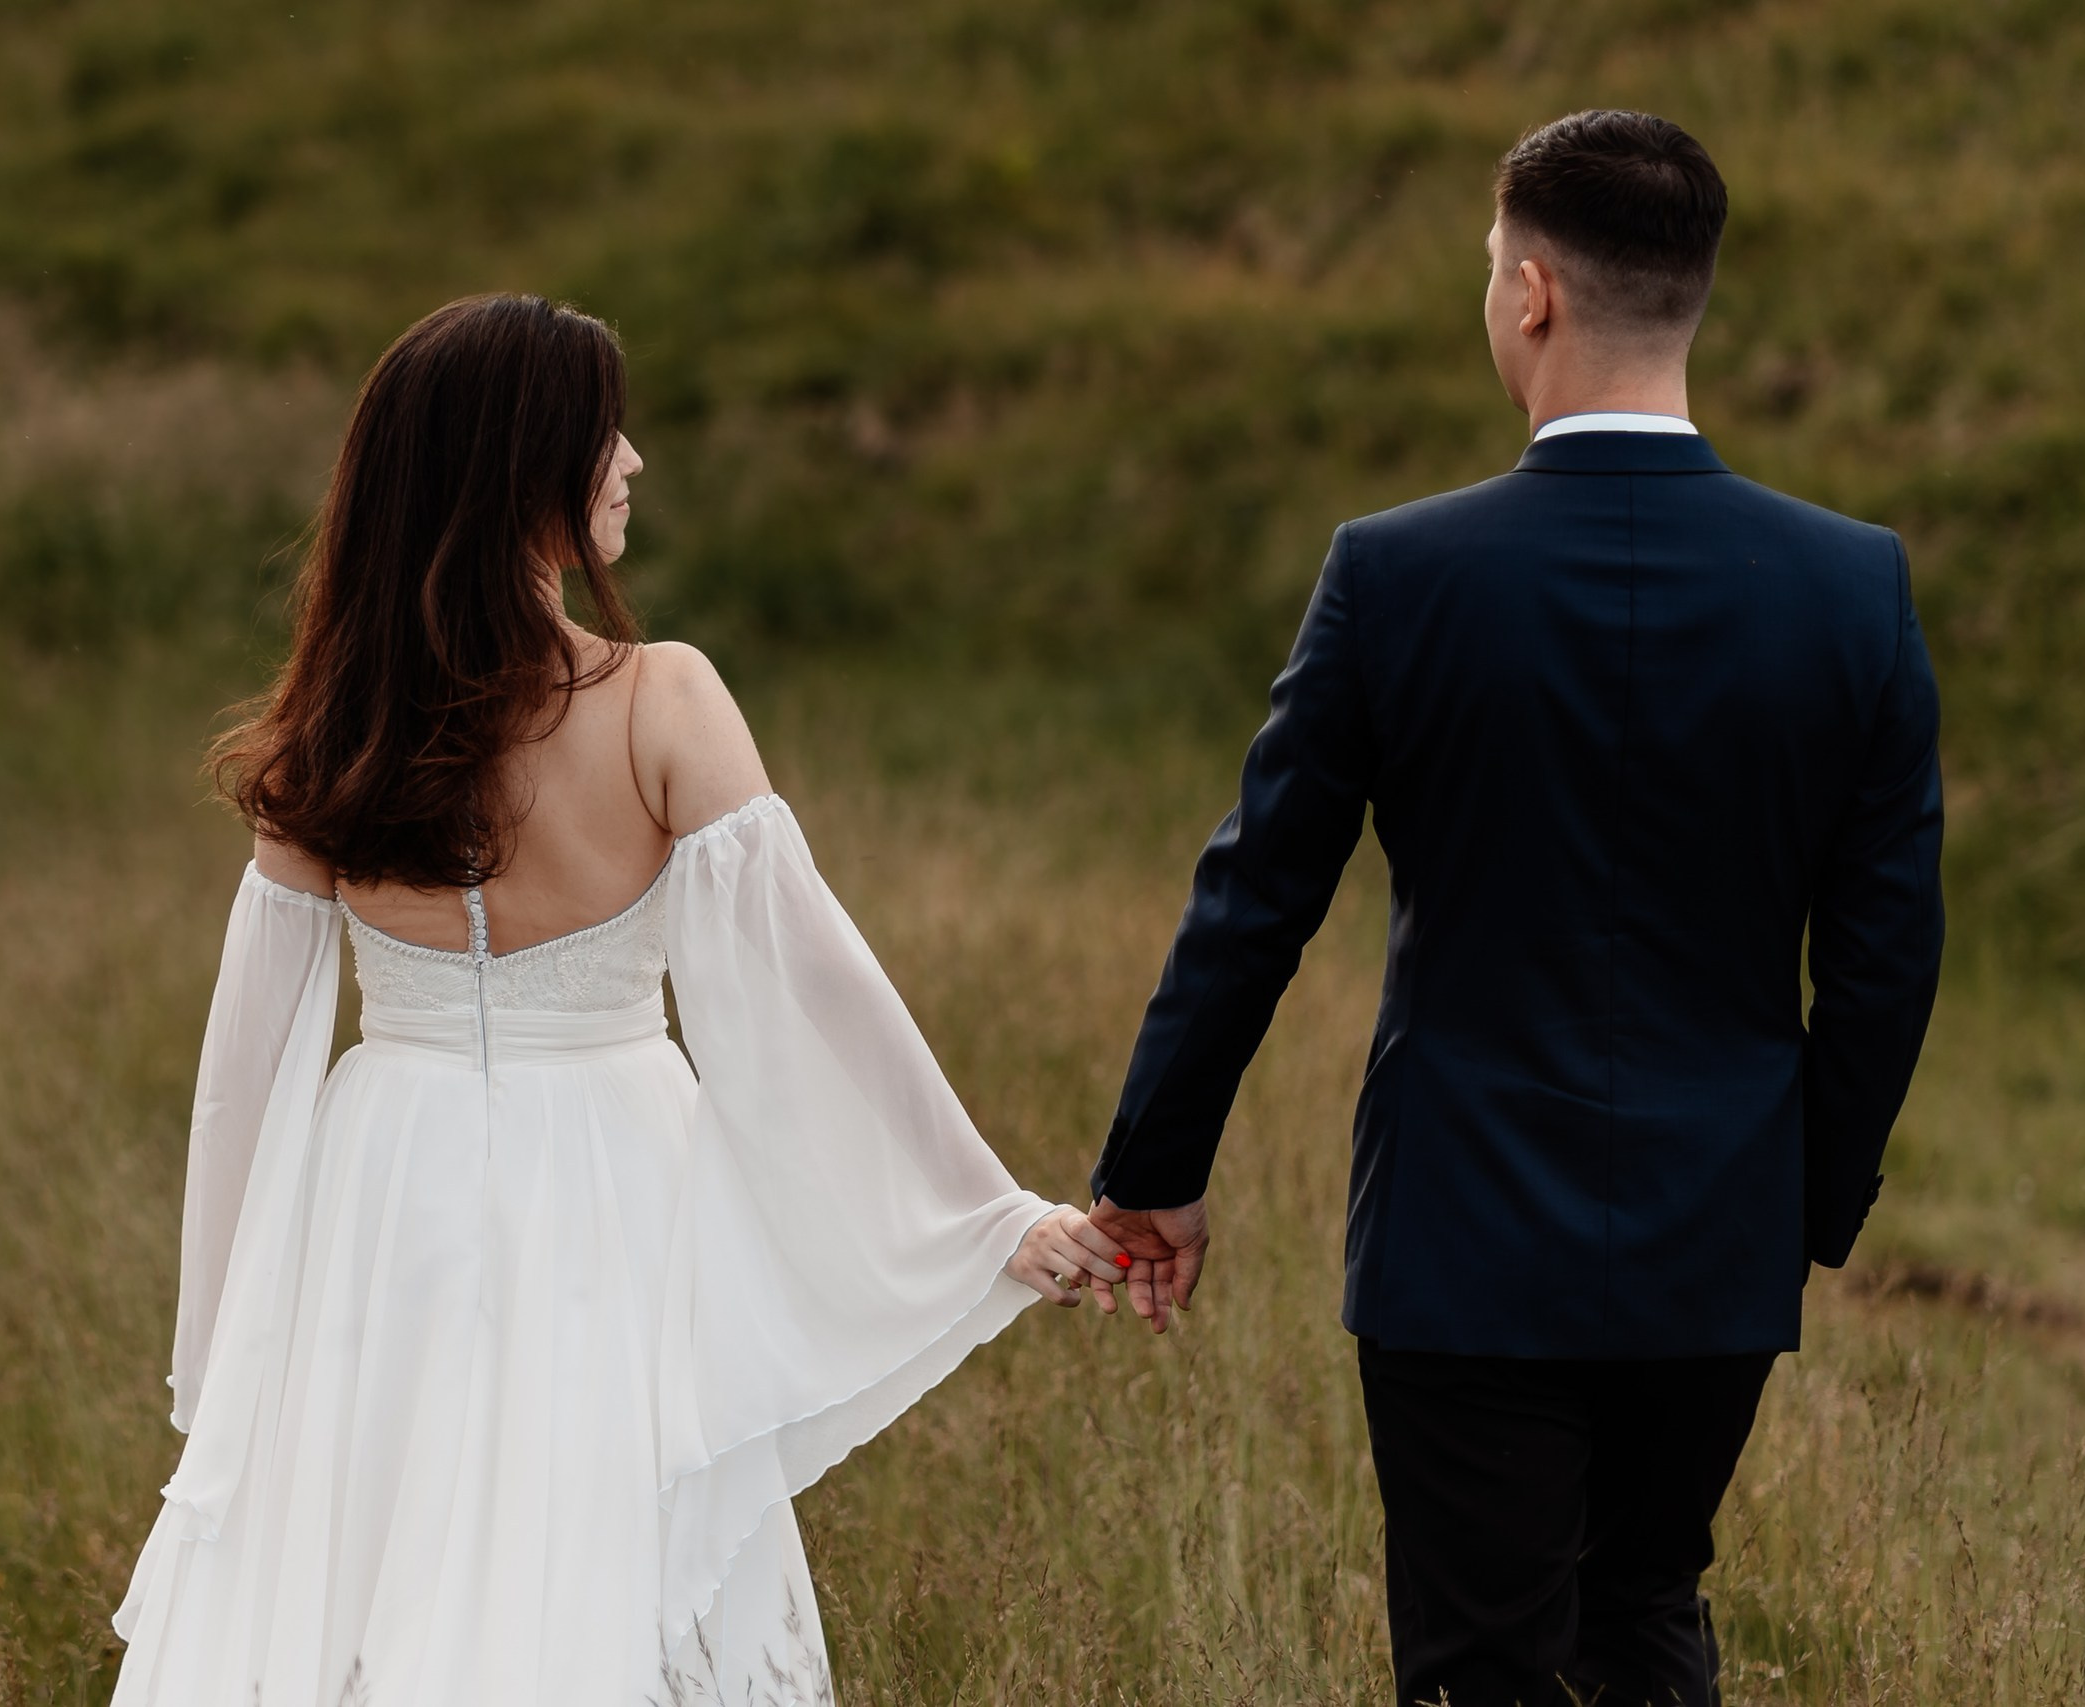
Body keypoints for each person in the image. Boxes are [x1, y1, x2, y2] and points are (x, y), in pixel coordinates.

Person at [109, 293, 1129, 1706]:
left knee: (378, 1563)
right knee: (596, 1555)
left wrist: (230, 1355)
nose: (633, 460)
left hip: (380, 1190)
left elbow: (242, 1073)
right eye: (605, 434)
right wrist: (989, 1212)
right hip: (612, 1175)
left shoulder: (329, 730)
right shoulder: (662, 698)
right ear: (527, 470)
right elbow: (812, 986)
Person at [1085, 111, 1946, 1707]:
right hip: (1715, 1240)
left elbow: (1257, 899)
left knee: (1483, 1664)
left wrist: (1156, 1169)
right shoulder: (1852, 588)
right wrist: (1799, 1204)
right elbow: (1889, 957)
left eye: (1490, 270)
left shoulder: (1395, 575)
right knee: (1646, 1609)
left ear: (1534, 294)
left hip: (1459, 1234)